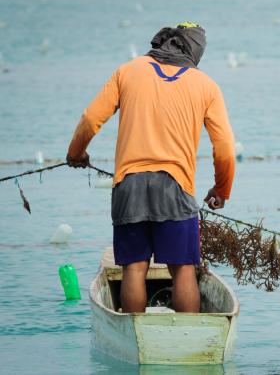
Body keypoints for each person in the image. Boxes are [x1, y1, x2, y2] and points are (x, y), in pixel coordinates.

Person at [66, 22, 235, 313]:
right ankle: (187, 338)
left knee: (134, 267)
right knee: (182, 268)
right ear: (195, 51)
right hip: (176, 186)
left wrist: (76, 153)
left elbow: (91, 118)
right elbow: (225, 149)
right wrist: (221, 189)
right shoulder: (205, 85)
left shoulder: (128, 71)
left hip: (128, 185)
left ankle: (133, 335)